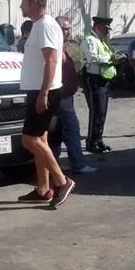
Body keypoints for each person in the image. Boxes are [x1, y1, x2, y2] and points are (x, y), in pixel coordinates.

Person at [15, 0, 75, 208]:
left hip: (45, 92)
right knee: (41, 140)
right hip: (38, 91)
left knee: (29, 140)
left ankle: (62, 181)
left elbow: (51, 61)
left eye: (23, 2)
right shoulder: (39, 26)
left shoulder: (47, 25)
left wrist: (43, 94)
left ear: (33, 1)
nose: (21, 6)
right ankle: (43, 189)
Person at [48, 16, 97, 174]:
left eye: (69, 29)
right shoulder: (52, 48)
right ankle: (78, 164)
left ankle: (54, 166)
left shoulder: (67, 47)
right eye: (64, 29)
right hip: (59, 97)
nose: (67, 32)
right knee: (71, 130)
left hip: (66, 96)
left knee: (57, 132)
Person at [81, 15, 121, 153]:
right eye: (105, 28)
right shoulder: (89, 40)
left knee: (102, 112)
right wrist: (110, 58)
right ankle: (91, 142)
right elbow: (92, 58)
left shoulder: (101, 40)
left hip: (103, 79)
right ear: (98, 26)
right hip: (94, 79)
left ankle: (99, 139)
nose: (107, 32)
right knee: (96, 112)